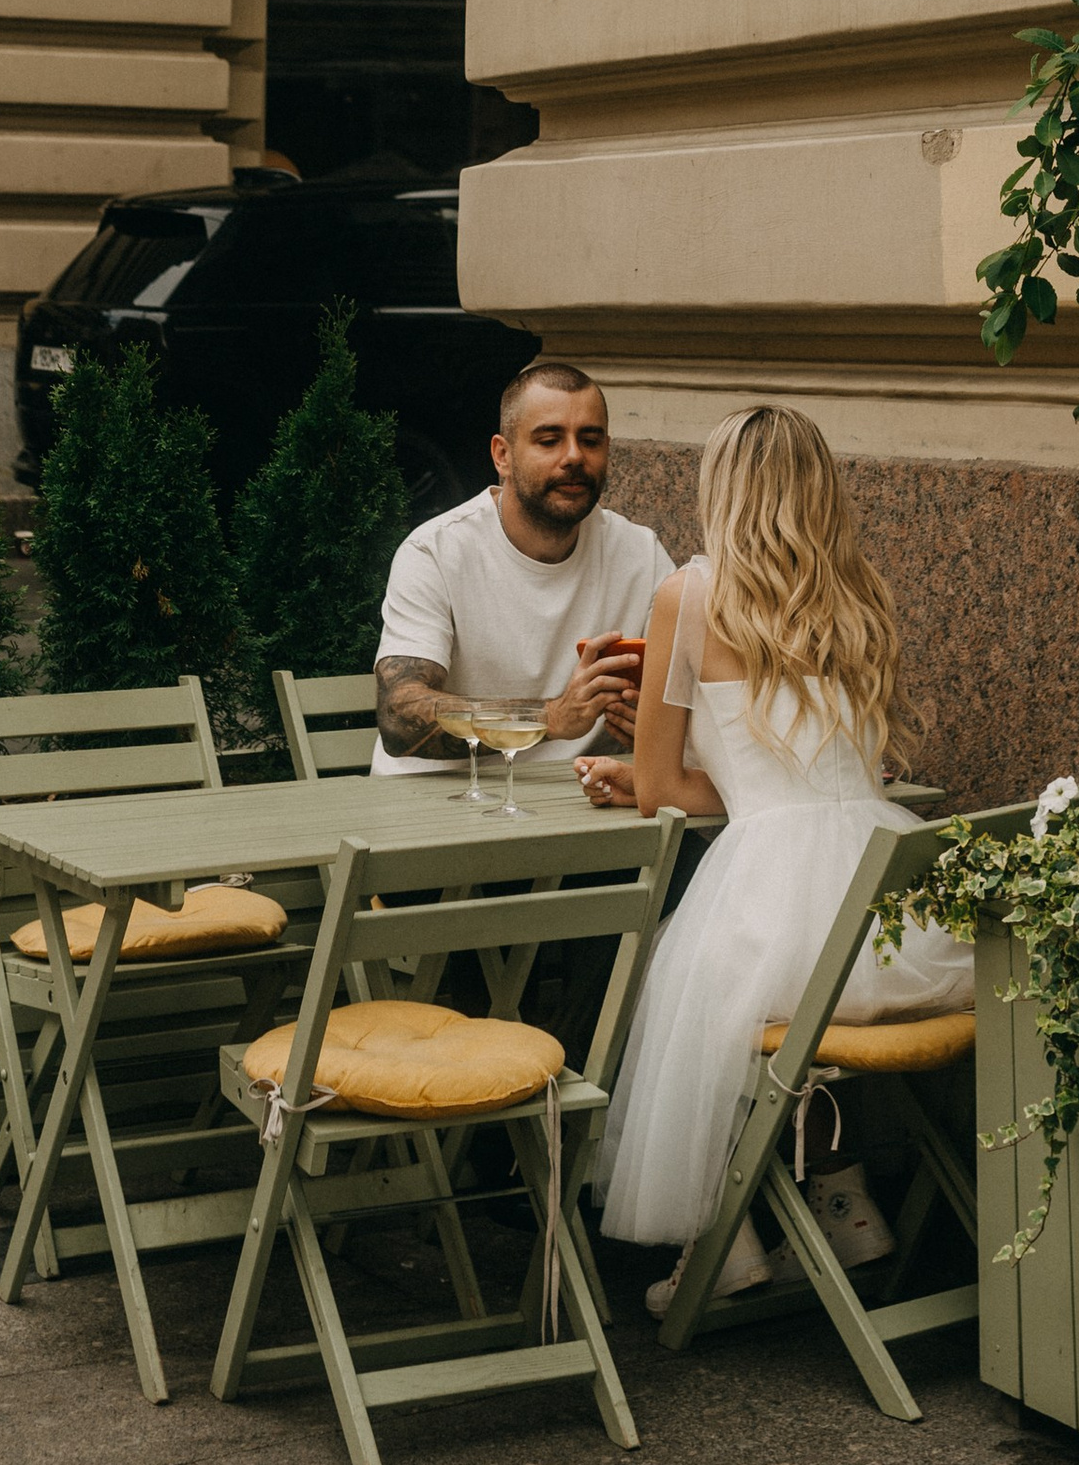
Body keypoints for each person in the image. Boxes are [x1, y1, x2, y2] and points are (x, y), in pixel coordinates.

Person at [589, 402, 974, 1315]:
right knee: (763, 1027)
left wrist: (626, 773)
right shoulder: (860, 591)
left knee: (695, 1009)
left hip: (776, 903)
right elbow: (830, 772)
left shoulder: (686, 596)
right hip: (889, 912)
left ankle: (721, 1249)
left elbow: (657, 791)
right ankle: (846, 1208)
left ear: (720, 489)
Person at [371, 359, 671, 776]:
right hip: (438, 804)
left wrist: (660, 726)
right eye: (549, 440)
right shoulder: (435, 552)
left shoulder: (641, 554)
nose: (573, 456)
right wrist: (549, 717)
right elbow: (399, 713)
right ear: (503, 455)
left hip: (578, 807)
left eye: (590, 440)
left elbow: (689, 693)